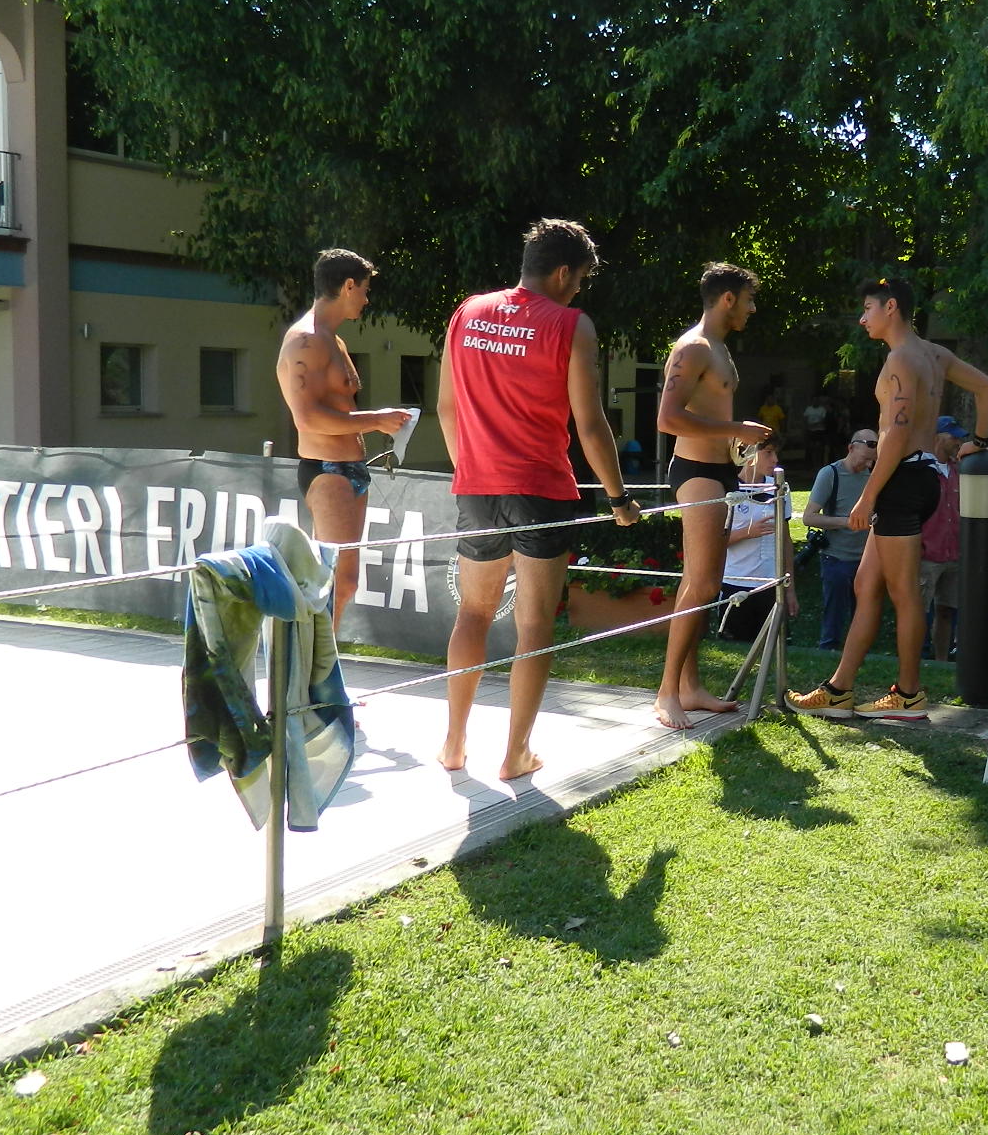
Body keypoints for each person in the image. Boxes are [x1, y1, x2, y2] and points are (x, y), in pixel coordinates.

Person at [435, 218, 639, 779]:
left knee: (472, 614)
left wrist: (472, 469)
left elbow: (447, 409)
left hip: (477, 485)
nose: (579, 290)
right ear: (564, 272)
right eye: (581, 280)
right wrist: (618, 497)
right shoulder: (572, 324)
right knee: (534, 625)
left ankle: (453, 744)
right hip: (541, 487)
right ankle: (515, 753)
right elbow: (590, 424)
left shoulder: (468, 312)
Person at [790, 275, 988, 719]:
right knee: (867, 585)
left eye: (868, 308)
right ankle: (839, 690)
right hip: (919, 477)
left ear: (891, 307)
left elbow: (897, 434)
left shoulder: (902, 358)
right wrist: (978, 440)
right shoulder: (934, 354)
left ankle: (908, 694)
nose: (862, 318)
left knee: (903, 592)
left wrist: (867, 497)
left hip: (902, 480)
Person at [654, 263, 771, 729]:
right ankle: (667, 693)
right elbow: (667, 418)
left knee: (703, 584)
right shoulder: (694, 347)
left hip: (721, 471)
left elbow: (710, 413)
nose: (752, 309)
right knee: (702, 584)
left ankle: (690, 686)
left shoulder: (719, 348)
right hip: (696, 472)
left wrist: (736, 440)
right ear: (728, 299)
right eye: (749, 300)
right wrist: (735, 428)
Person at [276, 249, 413, 625]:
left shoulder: (333, 341)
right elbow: (306, 418)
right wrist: (376, 420)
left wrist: (380, 422)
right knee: (332, 584)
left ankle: (318, 656)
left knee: (344, 582)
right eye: (365, 290)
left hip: (350, 469)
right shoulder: (305, 340)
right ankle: (312, 659)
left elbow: (339, 407)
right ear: (348, 285)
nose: (367, 300)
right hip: (327, 469)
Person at [802, 429, 877, 649]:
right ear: (851, 448)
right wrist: (847, 522)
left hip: (866, 560)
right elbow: (809, 517)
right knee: (834, 613)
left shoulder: (873, 476)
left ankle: (858, 651)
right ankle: (828, 650)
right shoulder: (830, 474)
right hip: (836, 557)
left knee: (863, 613)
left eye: (872, 461)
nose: (868, 465)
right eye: (865, 459)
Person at [719, 440, 797, 644]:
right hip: (736, 584)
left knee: (774, 649)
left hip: (771, 584)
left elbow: (786, 540)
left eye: (776, 453)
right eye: (768, 453)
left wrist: (790, 588)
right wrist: (746, 533)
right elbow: (712, 542)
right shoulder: (727, 489)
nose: (775, 459)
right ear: (749, 454)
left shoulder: (779, 488)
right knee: (737, 650)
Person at [917, 421, 965, 662]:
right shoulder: (922, 470)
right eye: (953, 437)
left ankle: (941, 661)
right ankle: (914, 658)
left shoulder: (960, 472)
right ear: (937, 437)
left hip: (954, 554)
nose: (958, 442)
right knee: (919, 611)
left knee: (947, 610)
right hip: (926, 554)